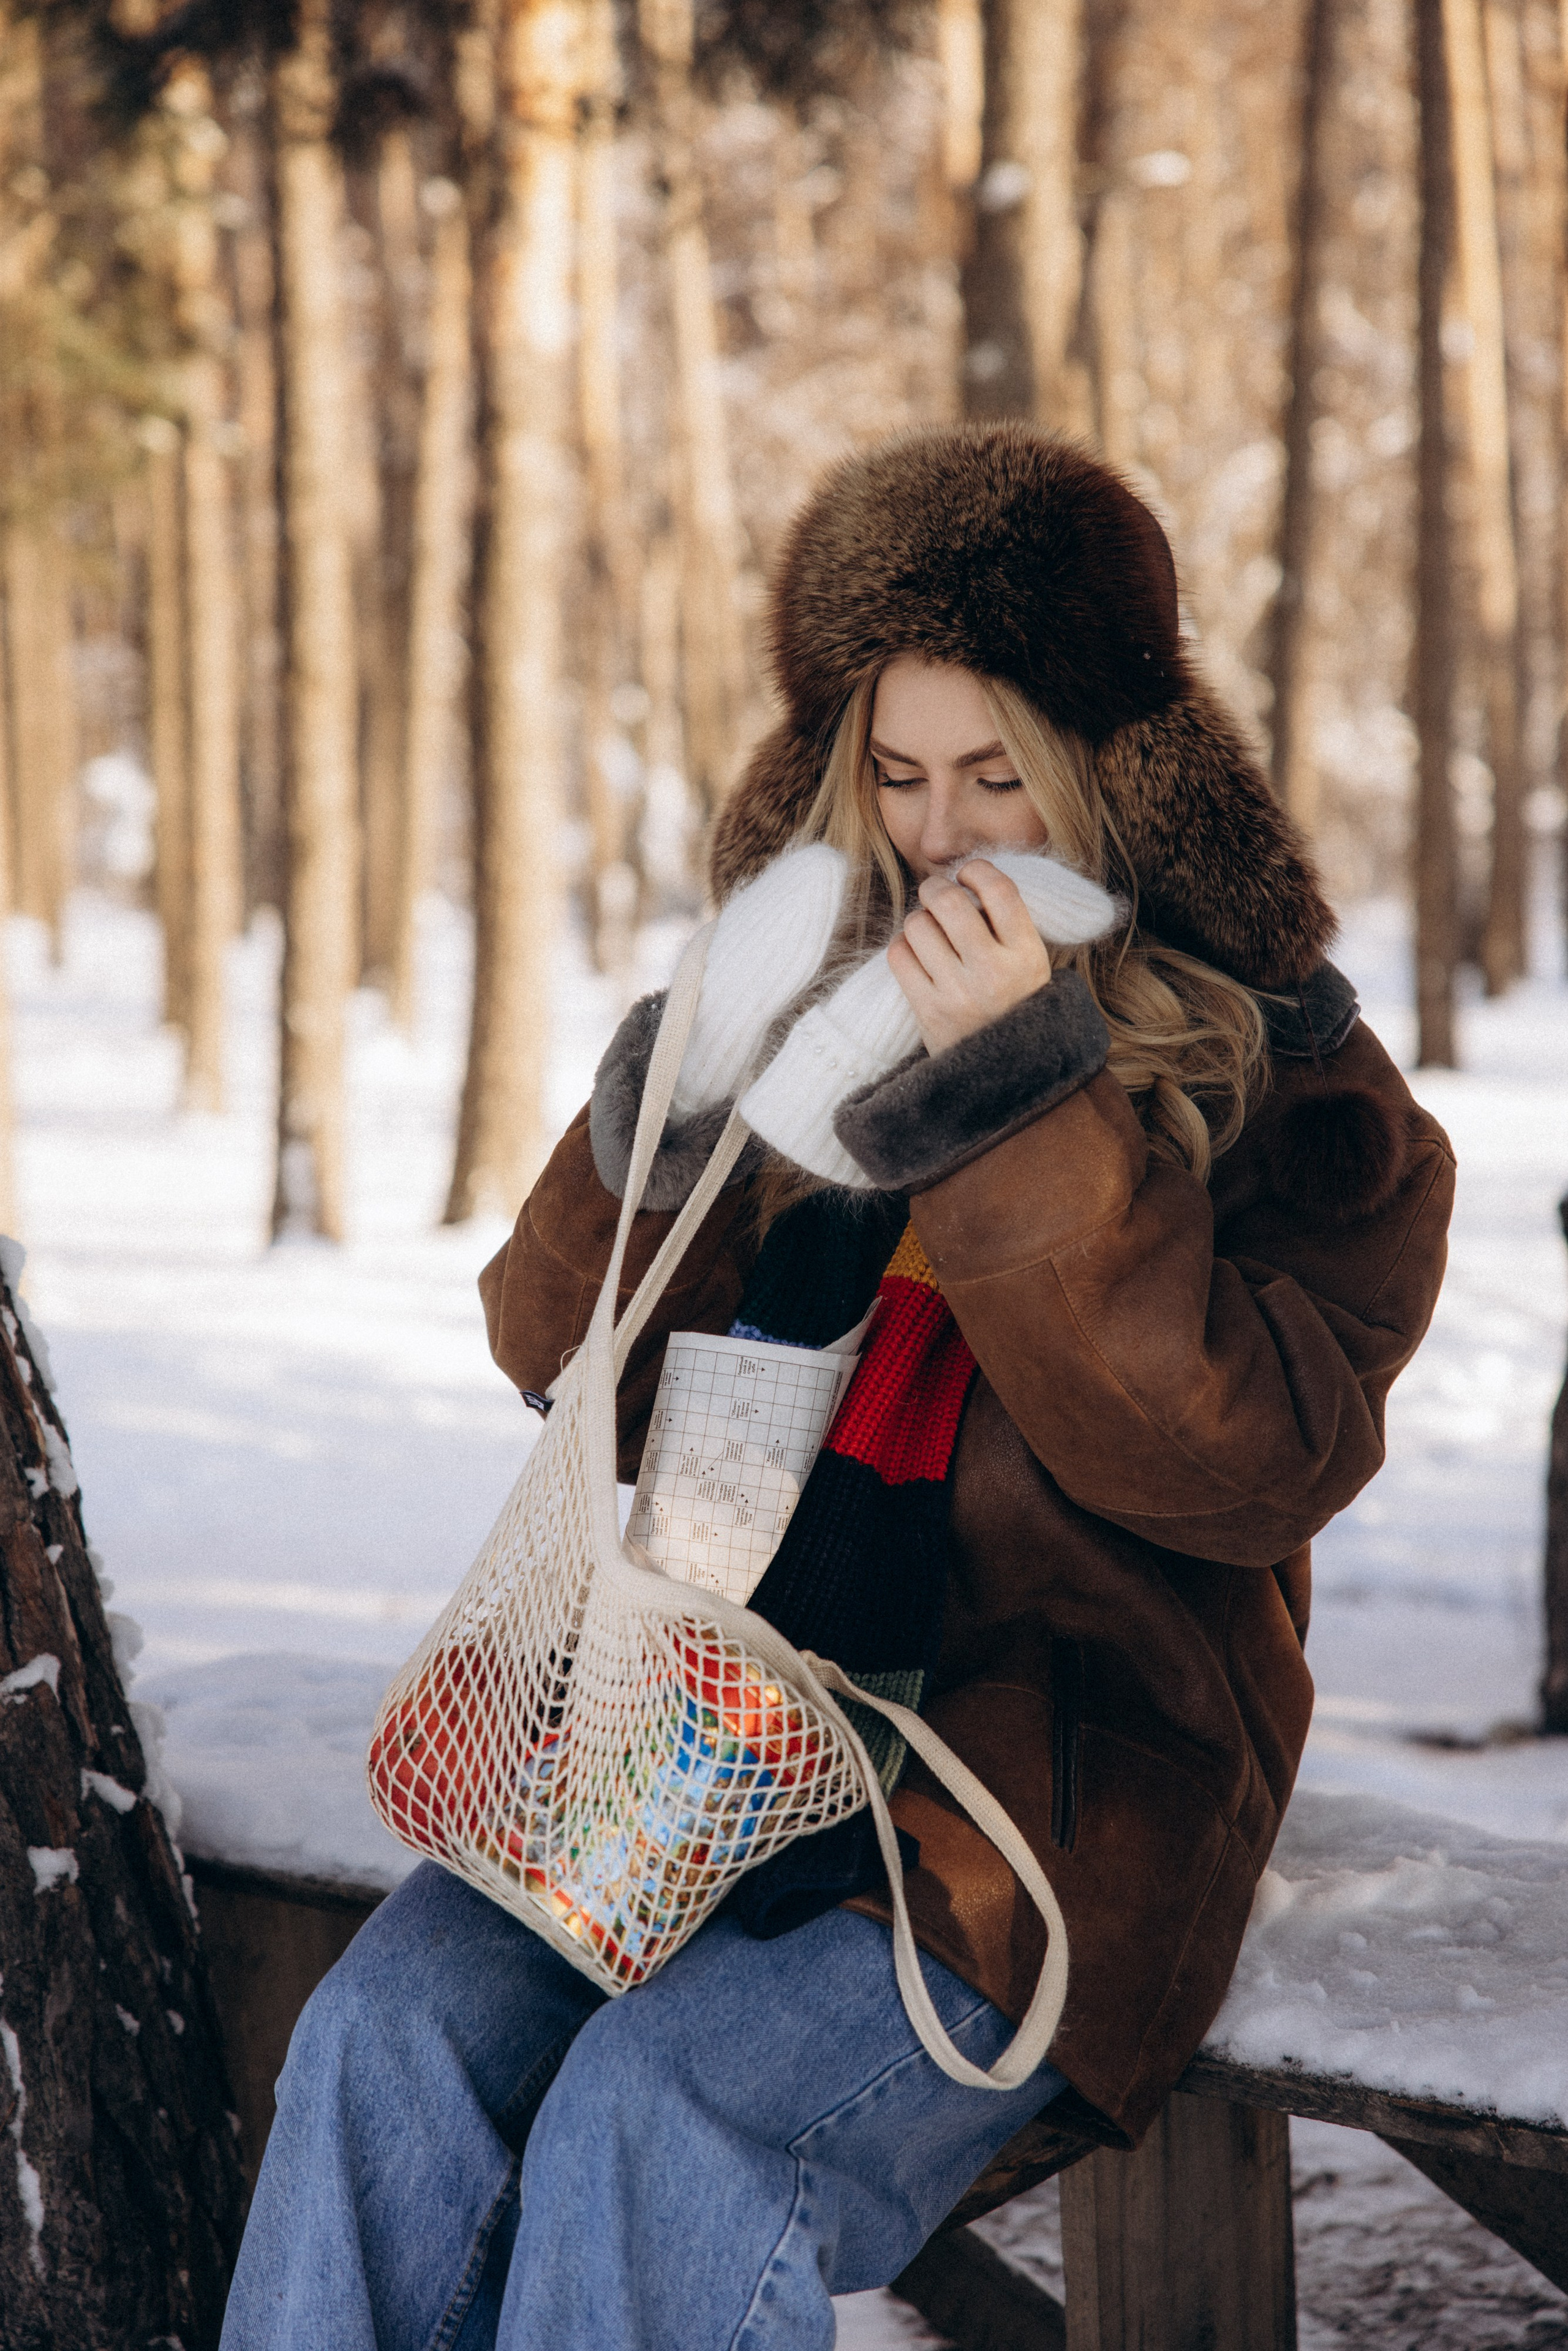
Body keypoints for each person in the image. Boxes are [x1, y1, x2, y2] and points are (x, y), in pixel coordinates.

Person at [221, 427, 1453, 2351]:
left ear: (1112, 777)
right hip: (694, 1746)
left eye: (1000, 777)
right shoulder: (812, 1025)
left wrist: (1021, 1096)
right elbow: (564, 1364)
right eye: (898, 776)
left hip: (1027, 1811)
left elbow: (1233, 1472)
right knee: (385, 2040)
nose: (948, 836)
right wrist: (685, 1078)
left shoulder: (1298, 1104)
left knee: (666, 2124)